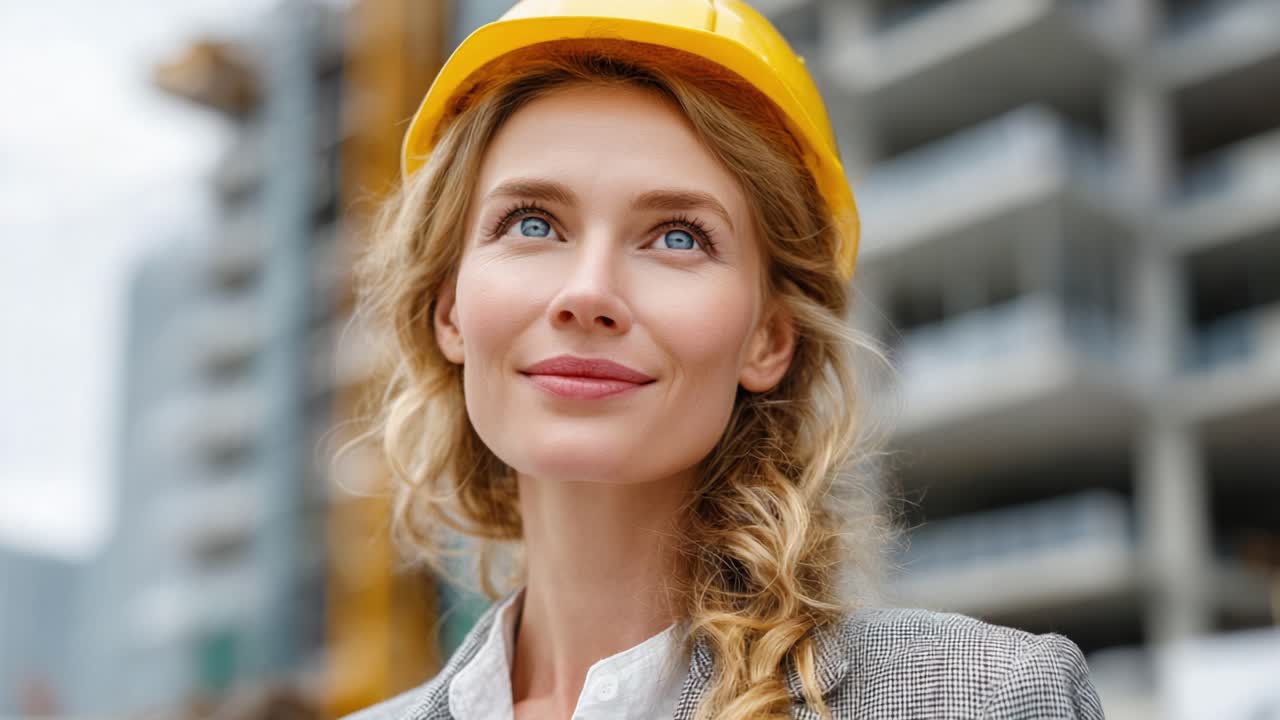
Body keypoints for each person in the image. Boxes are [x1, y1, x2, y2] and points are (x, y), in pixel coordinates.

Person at [340, 1, 1104, 719]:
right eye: (533, 223)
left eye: (678, 236)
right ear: (449, 312)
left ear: (770, 338)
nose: (588, 292)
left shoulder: (983, 699)